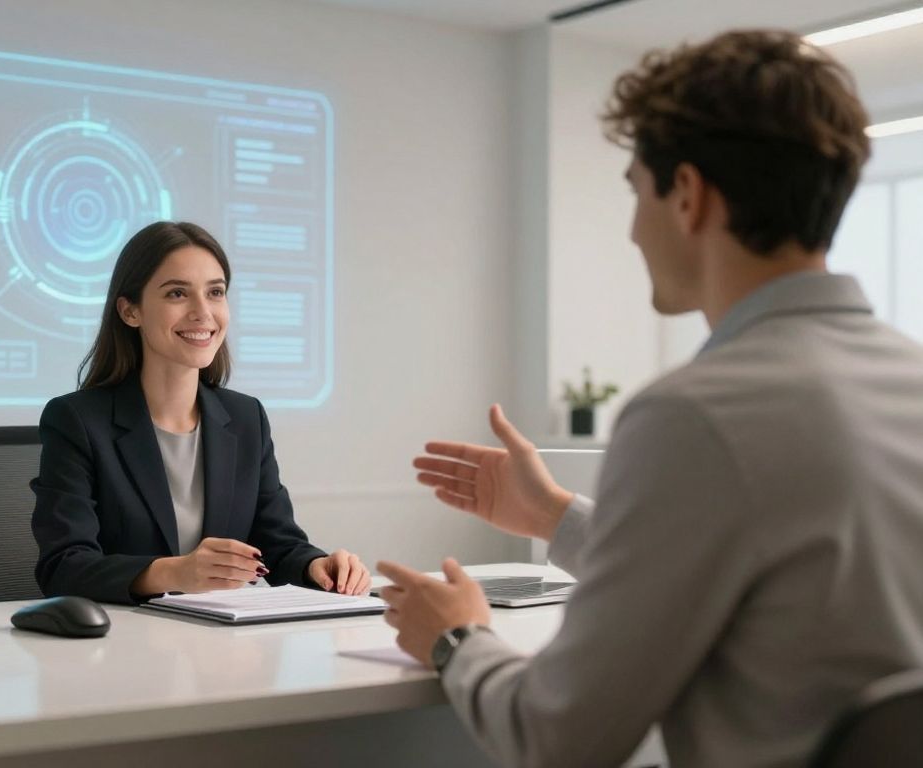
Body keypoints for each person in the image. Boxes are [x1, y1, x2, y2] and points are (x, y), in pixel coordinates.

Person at [377, 29, 923, 768]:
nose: (633, 230)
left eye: (636, 191)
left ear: (688, 196)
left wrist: (456, 637)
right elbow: (769, 575)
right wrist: (551, 515)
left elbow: (556, 736)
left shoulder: (695, 416)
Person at [32, 221, 370, 604]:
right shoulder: (76, 421)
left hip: (221, 645)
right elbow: (63, 567)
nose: (203, 312)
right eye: (177, 293)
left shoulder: (246, 418)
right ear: (130, 311)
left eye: (216, 292)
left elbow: (278, 546)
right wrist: (176, 572)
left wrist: (317, 566)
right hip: (123, 644)